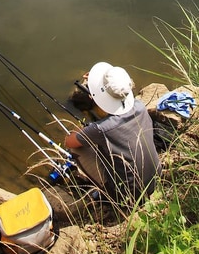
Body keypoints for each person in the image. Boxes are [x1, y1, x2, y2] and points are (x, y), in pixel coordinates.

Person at [64, 61, 161, 206]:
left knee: (77, 147)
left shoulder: (100, 128)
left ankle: (105, 192)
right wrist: (96, 84)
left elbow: (69, 141)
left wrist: (86, 128)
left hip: (128, 197)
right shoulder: (140, 106)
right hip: (156, 179)